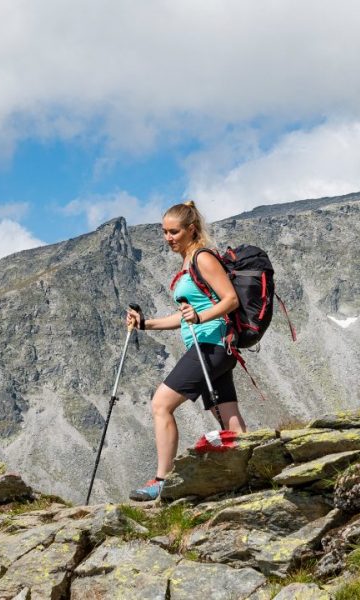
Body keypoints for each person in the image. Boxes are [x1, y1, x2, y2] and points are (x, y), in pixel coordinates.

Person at [124, 201, 248, 501]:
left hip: (212, 345)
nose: (168, 238)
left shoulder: (203, 258)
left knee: (161, 405)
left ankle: (162, 479)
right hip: (211, 346)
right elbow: (184, 316)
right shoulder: (188, 263)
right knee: (228, 414)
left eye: (174, 232)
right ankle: (253, 469)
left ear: (191, 229)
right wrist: (145, 324)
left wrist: (201, 317)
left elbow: (230, 300)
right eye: (164, 232)